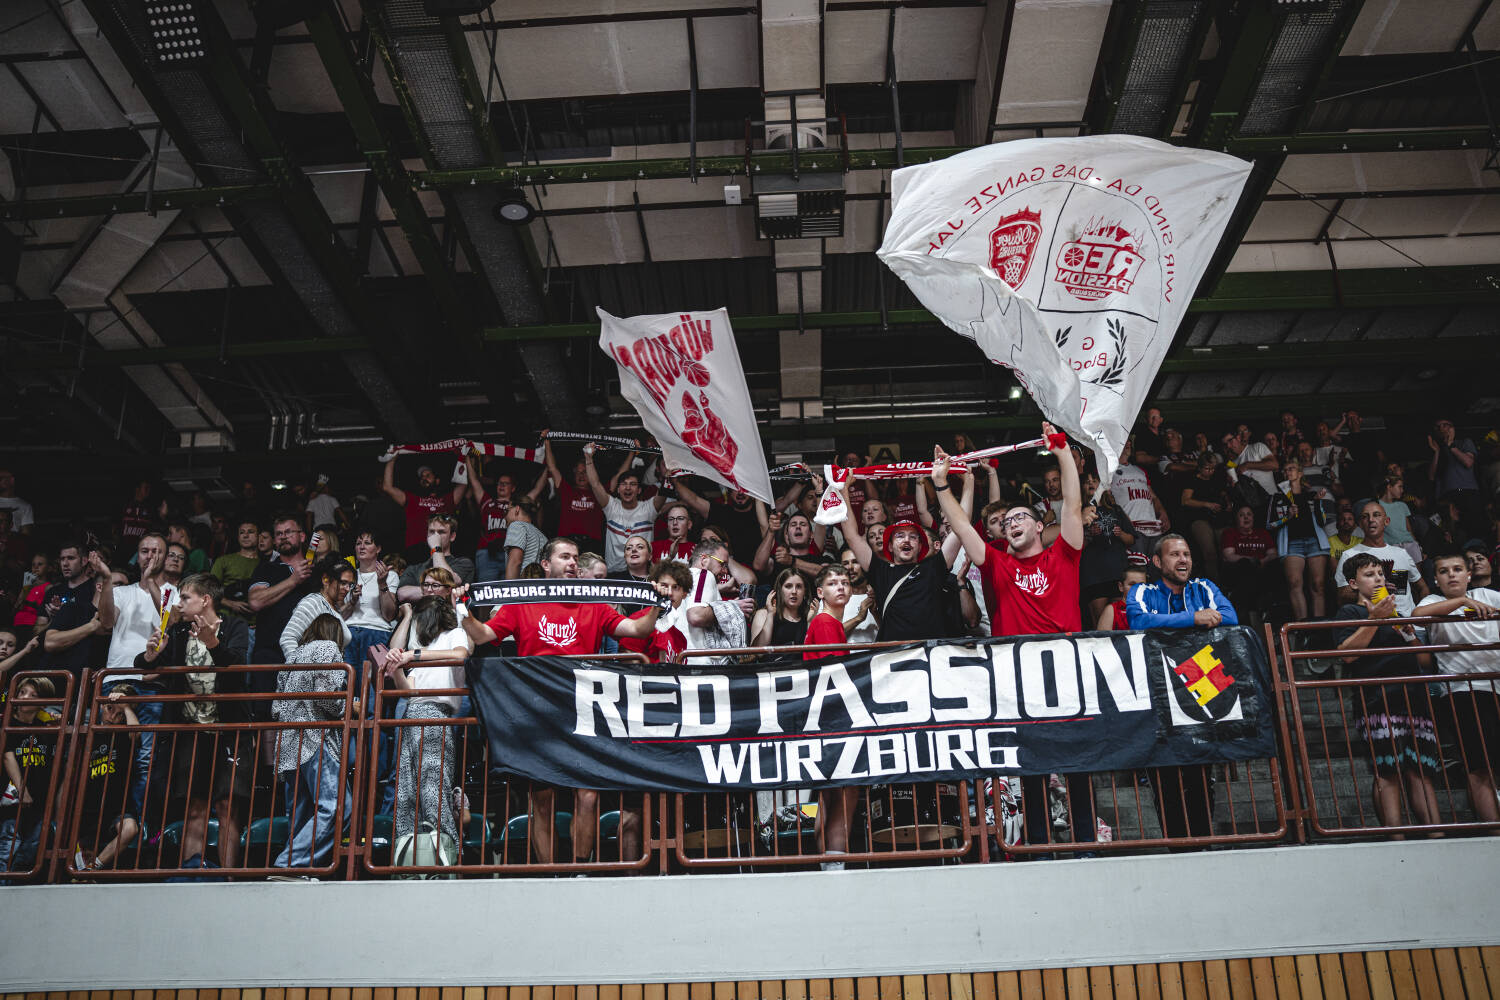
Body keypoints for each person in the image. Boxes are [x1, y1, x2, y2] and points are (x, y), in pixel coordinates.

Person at [934, 423, 1096, 855]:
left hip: (1065, 671)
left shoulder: (1064, 554)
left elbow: (1073, 505)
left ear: (1040, 525)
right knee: (1032, 764)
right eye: (1005, 522)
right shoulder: (995, 565)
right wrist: (941, 486)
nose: (1010, 523)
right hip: (1019, 676)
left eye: (1019, 517)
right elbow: (962, 527)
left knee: (1077, 761)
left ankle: (1086, 843)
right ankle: (1039, 845)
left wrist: (1061, 452)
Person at [457, 537, 661, 864]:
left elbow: (637, 629)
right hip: (537, 712)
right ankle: (551, 875)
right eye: (564, 557)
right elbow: (482, 635)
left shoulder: (594, 604)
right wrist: (462, 609)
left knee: (588, 796)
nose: (572, 563)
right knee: (542, 801)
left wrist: (657, 605)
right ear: (546, 565)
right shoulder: (522, 603)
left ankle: (579, 872)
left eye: (575, 558)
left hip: (583, 711)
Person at [1125, 535, 1237, 842]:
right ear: (1157, 562)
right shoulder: (1142, 591)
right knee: (1166, 779)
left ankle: (1202, 844)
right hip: (1158, 695)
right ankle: (1177, 848)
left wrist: (1173, 622)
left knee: (1201, 775)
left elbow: (1230, 617)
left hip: (1201, 690)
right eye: (1174, 554)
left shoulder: (1205, 587)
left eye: (1186, 553)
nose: (1183, 559)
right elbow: (1138, 621)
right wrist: (1194, 618)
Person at [137, 573, 251, 869]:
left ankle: (228, 880)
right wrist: (150, 657)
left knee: (227, 807)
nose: (179, 604)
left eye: (186, 597)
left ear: (205, 600)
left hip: (229, 730)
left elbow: (239, 668)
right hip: (191, 731)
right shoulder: (178, 631)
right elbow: (146, 666)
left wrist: (213, 643)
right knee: (194, 806)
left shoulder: (234, 627)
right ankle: (191, 875)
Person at [1333, 552, 1442, 830]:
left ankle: (1437, 835)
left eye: (1381, 574)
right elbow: (1346, 654)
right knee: (1387, 771)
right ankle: (1395, 838)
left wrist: (1410, 635)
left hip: (1414, 699)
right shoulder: (1350, 613)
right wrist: (1374, 619)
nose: (1378, 579)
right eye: (1369, 575)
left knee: (1421, 770)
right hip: (1377, 702)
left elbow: (1425, 662)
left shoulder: (1399, 615)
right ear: (1353, 583)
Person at [383, 595, 474, 848]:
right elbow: (408, 691)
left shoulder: (454, 634)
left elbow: (460, 655)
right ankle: (409, 852)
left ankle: (442, 851)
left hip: (436, 713)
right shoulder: (424, 650)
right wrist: (397, 666)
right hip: (411, 714)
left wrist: (413, 655)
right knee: (406, 791)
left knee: (432, 786)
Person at [1416, 553, 1500, 823]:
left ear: (1469, 575)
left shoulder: (1488, 596)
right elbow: (1417, 615)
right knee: (1479, 765)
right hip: (1463, 691)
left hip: (1497, 686)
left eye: (1457, 569)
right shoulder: (1432, 601)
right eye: (1444, 571)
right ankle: (1493, 831)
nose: (1451, 574)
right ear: (1435, 579)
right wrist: (1462, 602)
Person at [96, 535, 176, 818]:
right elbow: (106, 622)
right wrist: (108, 580)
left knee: (145, 759)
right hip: (115, 678)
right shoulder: (122, 592)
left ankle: (139, 826)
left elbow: (169, 621)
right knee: (105, 755)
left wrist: (151, 581)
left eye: (156, 551)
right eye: (144, 551)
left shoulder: (173, 591)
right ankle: (106, 823)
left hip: (150, 683)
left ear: (165, 557)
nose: (150, 556)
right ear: (137, 555)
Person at [271, 614, 353, 873]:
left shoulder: (293, 656)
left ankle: (294, 873)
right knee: (338, 806)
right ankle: (288, 865)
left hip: (288, 742)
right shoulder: (328, 648)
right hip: (314, 736)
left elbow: (276, 707)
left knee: (302, 813)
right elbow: (325, 697)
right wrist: (348, 706)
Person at [802, 564, 860, 871]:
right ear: (820, 592)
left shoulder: (828, 623)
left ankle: (828, 865)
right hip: (834, 722)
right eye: (833, 583)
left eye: (845, 582)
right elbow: (834, 678)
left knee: (830, 796)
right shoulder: (825, 623)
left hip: (824, 722)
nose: (841, 587)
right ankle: (834, 865)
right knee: (843, 796)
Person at [74, 689, 141, 873]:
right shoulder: (88, 733)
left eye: (120, 714)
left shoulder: (123, 734)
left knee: (130, 829)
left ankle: (94, 868)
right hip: (88, 805)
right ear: (102, 706)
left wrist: (126, 706)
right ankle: (83, 873)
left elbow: (136, 734)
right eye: (110, 708)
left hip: (117, 804)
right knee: (81, 853)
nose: (113, 717)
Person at [0, 675, 58, 878]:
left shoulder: (46, 729)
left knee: (30, 852)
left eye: (33, 695)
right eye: (22, 692)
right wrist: (22, 789)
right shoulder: (7, 722)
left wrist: (50, 717)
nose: (25, 698)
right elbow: (7, 755)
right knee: (7, 848)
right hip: (11, 801)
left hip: (39, 802)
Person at [1335, 501, 1429, 617]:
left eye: (1376, 515)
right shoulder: (1349, 555)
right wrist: (1376, 590)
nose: (1371, 520)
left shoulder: (1401, 554)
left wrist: (1420, 617)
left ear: (1386, 521)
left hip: (1408, 623)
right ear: (1360, 523)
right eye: (1365, 516)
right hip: (1375, 623)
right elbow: (1342, 597)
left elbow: (1423, 588)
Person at [584, 444, 667, 574]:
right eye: (624, 484)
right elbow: (595, 484)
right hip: (614, 573)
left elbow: (664, 492)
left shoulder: (649, 509)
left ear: (639, 490)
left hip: (642, 574)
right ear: (618, 489)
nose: (628, 488)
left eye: (632, 484)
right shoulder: (611, 506)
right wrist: (588, 459)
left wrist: (669, 473)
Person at [1269, 460, 1334, 621]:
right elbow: (1270, 525)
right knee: (1294, 583)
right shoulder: (1277, 497)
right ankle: (1302, 626)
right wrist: (1287, 517)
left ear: (1300, 473)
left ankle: (1318, 627)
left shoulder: (1311, 495)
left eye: (1291, 468)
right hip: (1291, 544)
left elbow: (1322, 521)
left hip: (1315, 542)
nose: (1288, 472)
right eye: (1285, 470)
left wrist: (1318, 503)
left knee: (1318, 585)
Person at [40, 540, 107, 676]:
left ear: (84, 561)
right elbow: (36, 630)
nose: (65, 563)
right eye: (62, 559)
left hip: (82, 661)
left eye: (71, 558)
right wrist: (55, 619)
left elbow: (101, 626)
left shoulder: (95, 589)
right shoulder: (53, 591)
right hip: (51, 660)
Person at [344, 530, 399, 697]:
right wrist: (352, 601)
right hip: (349, 633)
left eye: (367, 543)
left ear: (378, 549)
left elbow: (389, 615)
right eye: (358, 543)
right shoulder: (348, 576)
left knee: (371, 691)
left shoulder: (390, 576)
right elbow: (341, 616)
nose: (361, 547)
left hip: (376, 633)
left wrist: (382, 584)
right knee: (347, 687)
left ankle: (370, 714)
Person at [381, 458, 467, 562]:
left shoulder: (447, 500)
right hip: (416, 550)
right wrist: (392, 459)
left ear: (437, 480)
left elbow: (463, 484)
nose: (424, 478)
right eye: (422, 477)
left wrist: (464, 458)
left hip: (442, 550)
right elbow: (387, 487)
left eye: (428, 475)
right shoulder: (412, 499)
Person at [1080, 471, 1135, 628]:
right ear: (1081, 487)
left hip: (1117, 571)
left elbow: (1131, 539)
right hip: (1093, 575)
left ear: (1102, 485)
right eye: (1087, 481)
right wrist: (1089, 535)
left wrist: (1121, 534)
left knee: (1121, 621)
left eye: (1095, 480)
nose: (1091, 483)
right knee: (1100, 625)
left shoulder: (1116, 509)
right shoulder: (1079, 511)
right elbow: (1073, 546)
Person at [280, 558, 355, 662]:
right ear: (325, 579)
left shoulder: (333, 607)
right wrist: (300, 668)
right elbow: (287, 638)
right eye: (343, 583)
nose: (347, 589)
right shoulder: (313, 603)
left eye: (350, 584)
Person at [542, 435, 605, 550]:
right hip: (567, 543)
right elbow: (552, 468)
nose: (581, 475)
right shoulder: (566, 490)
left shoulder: (599, 493)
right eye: (578, 472)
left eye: (585, 472)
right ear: (574, 474)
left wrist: (632, 452)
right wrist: (547, 441)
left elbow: (619, 476)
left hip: (592, 545)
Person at [396, 513, 474, 603]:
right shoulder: (414, 569)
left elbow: (448, 580)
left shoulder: (464, 563)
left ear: (452, 536)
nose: (435, 536)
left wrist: (436, 548)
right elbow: (402, 594)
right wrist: (440, 590)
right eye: (432, 532)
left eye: (441, 532)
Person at [1218, 505, 1277, 621]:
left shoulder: (1263, 533)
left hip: (1261, 568)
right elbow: (1229, 556)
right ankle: (1252, 609)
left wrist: (1262, 561)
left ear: (1253, 518)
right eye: (1242, 515)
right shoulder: (1230, 533)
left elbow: (1273, 554)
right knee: (1245, 565)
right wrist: (1251, 560)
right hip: (1239, 570)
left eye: (1249, 514)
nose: (1246, 517)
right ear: (1236, 519)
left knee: (1276, 566)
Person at [1178, 452, 1229, 580]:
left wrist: (1227, 501)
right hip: (1199, 518)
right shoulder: (1192, 480)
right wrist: (1207, 504)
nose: (1210, 471)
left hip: (1217, 518)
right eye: (1207, 468)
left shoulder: (1216, 478)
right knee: (1210, 553)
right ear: (1200, 467)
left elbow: (1222, 492)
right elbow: (1185, 500)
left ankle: (1227, 581)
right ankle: (1214, 583)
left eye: (1212, 468)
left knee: (1226, 550)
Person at [1428, 417, 1482, 539]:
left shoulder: (1464, 442)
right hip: (1447, 497)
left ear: (1452, 428)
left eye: (1445, 425)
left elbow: (1468, 462)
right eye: (1438, 427)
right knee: (1452, 532)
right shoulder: (1437, 448)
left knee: (1473, 528)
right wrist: (1436, 452)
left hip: (1467, 491)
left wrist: (1451, 445)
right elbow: (1431, 476)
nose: (1441, 429)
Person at [211, 518, 262, 623]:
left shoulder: (265, 564)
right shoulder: (223, 560)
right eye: (242, 532)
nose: (245, 535)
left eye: (250, 532)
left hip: (255, 624)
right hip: (226, 621)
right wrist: (231, 604)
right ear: (238, 537)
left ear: (259, 536)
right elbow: (208, 588)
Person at [749, 568, 810, 647]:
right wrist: (770, 615)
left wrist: (810, 621)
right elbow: (757, 651)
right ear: (780, 590)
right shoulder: (764, 614)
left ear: (805, 591)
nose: (794, 591)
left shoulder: (809, 617)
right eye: (788, 586)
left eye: (799, 586)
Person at [1377, 476, 1422, 565]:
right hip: (1392, 547)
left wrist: (1417, 545)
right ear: (1389, 487)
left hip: (1410, 544)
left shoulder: (1402, 505)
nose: (1402, 490)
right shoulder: (1377, 506)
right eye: (1400, 487)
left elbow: (1408, 529)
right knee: (1397, 572)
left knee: (1416, 573)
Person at [501, 498, 547, 580]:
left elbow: (515, 562)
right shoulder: (542, 536)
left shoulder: (517, 526)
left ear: (517, 509)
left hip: (523, 585)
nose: (505, 517)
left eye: (506, 511)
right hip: (539, 585)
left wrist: (511, 587)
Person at [1095, 565, 1150, 631]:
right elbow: (1103, 637)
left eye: (1141, 584)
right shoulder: (1112, 610)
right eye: (1132, 584)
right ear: (1121, 586)